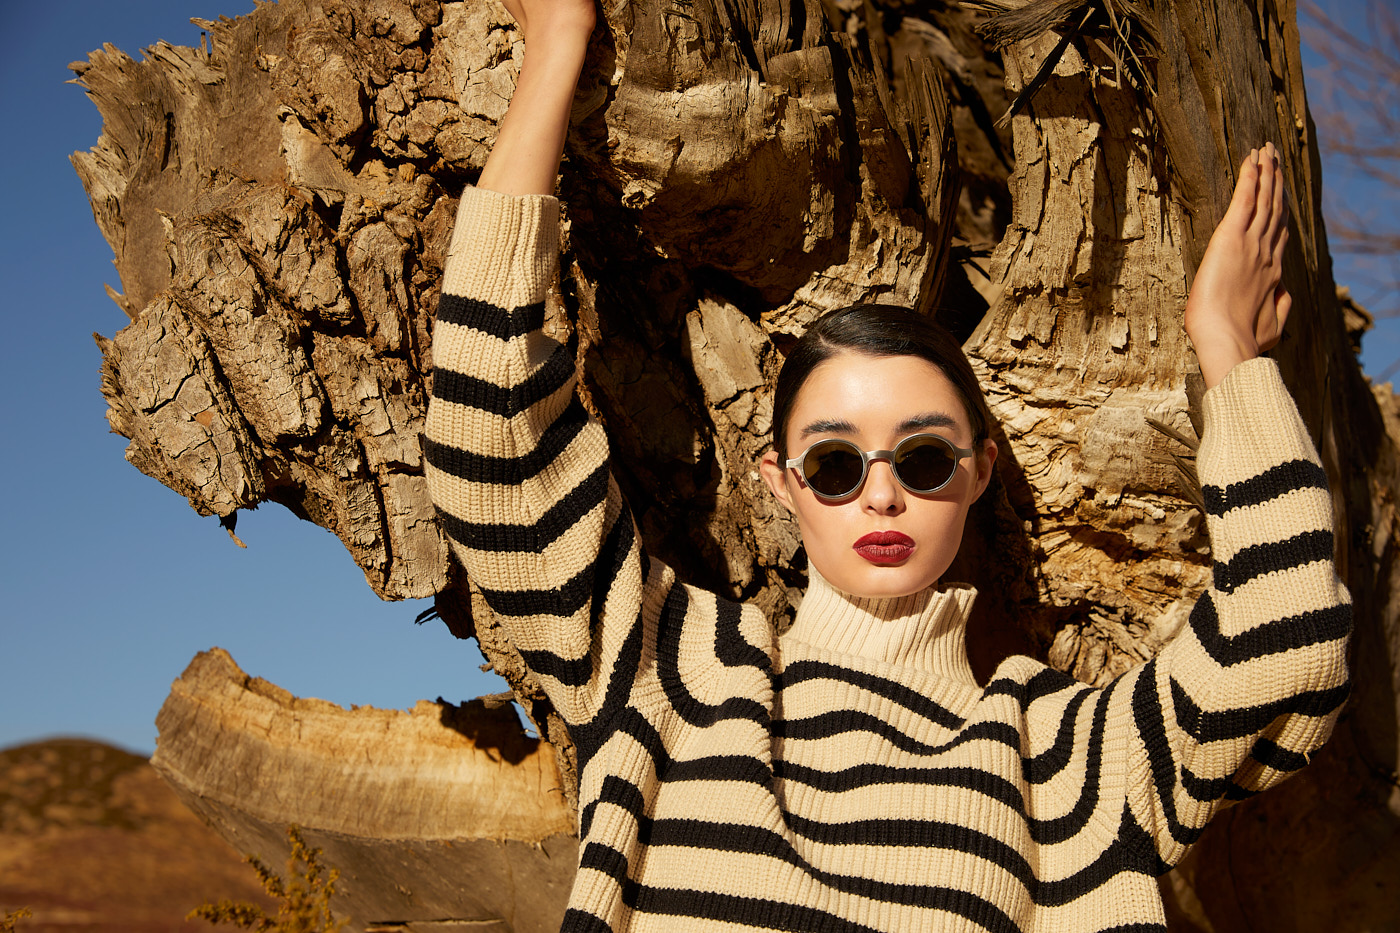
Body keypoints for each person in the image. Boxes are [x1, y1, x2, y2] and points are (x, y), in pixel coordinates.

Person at [422, 0, 1351, 929]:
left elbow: (1289, 638)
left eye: (923, 457)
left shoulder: (1056, 764)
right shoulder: (677, 676)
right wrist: (556, 49)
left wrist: (1230, 353)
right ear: (777, 481)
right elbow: (488, 429)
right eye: (832, 462)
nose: (880, 491)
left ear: (981, 470)